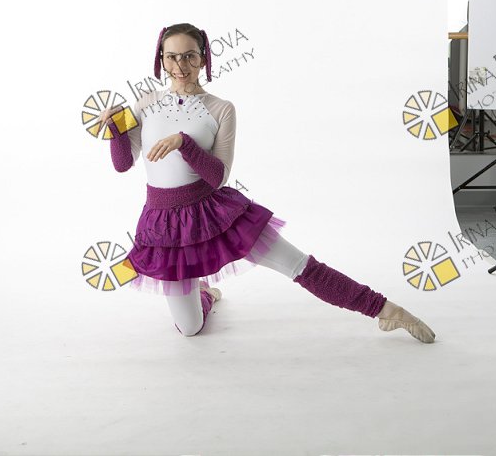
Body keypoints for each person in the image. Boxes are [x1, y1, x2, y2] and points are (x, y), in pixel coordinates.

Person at [100, 23, 436, 343]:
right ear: (161, 60)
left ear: (203, 59)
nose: (180, 65)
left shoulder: (221, 108)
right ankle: (205, 294)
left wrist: (183, 143)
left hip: (217, 214)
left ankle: (388, 311)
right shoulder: (144, 104)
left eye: (189, 56)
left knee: (300, 265)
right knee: (189, 329)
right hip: (165, 225)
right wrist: (115, 129)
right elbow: (122, 164)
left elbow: (217, 177)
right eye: (172, 56)